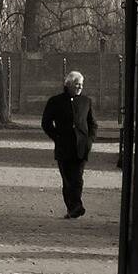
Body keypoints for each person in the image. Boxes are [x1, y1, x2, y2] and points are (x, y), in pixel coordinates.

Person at [41, 70, 99, 219]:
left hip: (81, 146)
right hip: (64, 146)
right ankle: (72, 207)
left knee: (77, 177)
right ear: (68, 84)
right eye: (77, 84)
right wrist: (56, 137)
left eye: (82, 84)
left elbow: (93, 124)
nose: (80, 87)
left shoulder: (86, 101)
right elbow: (46, 122)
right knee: (67, 179)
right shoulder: (55, 101)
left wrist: (89, 140)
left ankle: (76, 206)